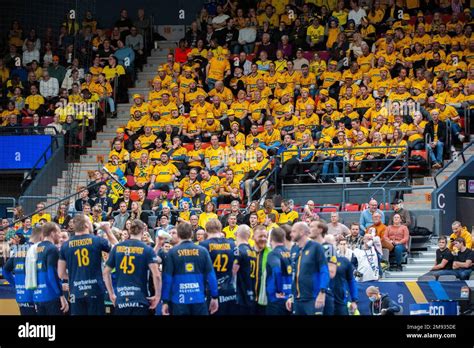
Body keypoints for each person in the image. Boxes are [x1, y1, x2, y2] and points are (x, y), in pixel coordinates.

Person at [58, 215, 118, 315]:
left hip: (76, 291)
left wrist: (73, 277)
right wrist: (107, 230)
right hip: (95, 289)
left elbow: (60, 273)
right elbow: (119, 250)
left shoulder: (65, 245)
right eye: (90, 222)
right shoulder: (97, 240)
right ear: (86, 225)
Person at [104, 219, 161, 315]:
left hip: (121, 298)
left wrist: (111, 294)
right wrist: (157, 295)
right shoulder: (146, 249)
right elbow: (157, 275)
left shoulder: (118, 248)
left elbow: (105, 272)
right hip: (140, 299)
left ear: (129, 231)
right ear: (143, 231)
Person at [161, 222, 218, 315]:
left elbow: (167, 279)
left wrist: (165, 301)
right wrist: (214, 296)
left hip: (179, 300)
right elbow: (211, 275)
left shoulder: (172, 252)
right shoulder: (202, 251)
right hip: (198, 298)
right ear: (192, 234)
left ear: (178, 234)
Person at [286, 222, 329, 315]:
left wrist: (322, 292)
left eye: (293, 231)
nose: (291, 234)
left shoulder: (316, 247)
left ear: (301, 232)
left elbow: (324, 271)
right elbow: (293, 274)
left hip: (312, 298)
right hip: (297, 299)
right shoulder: (294, 249)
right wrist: (290, 296)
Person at [200, 218, 237, 315]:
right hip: (229, 287)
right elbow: (235, 267)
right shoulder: (232, 244)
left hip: (211, 289)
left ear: (206, 230)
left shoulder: (203, 245)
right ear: (220, 229)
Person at [3, 226, 43, 315]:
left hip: (21, 296)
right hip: (37, 295)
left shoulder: (18, 249)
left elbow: (5, 271)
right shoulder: (39, 249)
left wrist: (16, 284)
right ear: (41, 236)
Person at [34, 222, 69, 315]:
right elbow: (52, 274)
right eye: (58, 232)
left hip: (38, 296)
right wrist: (61, 295)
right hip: (51, 295)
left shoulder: (36, 248)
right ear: (53, 233)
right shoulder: (52, 249)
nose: (60, 235)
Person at [324, 235, 358, 316]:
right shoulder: (318, 260)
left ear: (335, 244)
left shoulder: (344, 261)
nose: (328, 246)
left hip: (340, 301)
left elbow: (351, 281)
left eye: (330, 243)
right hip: (323, 300)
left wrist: (354, 300)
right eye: (326, 243)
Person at [265, 227, 292, 315]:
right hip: (289, 296)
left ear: (271, 239)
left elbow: (277, 270)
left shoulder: (273, 254)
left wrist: (279, 290)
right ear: (284, 238)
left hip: (276, 299)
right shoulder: (290, 252)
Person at [233, 224, 257, 315]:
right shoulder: (253, 251)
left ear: (236, 234)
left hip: (240, 294)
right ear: (250, 235)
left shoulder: (238, 250)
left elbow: (233, 272)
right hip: (252, 290)